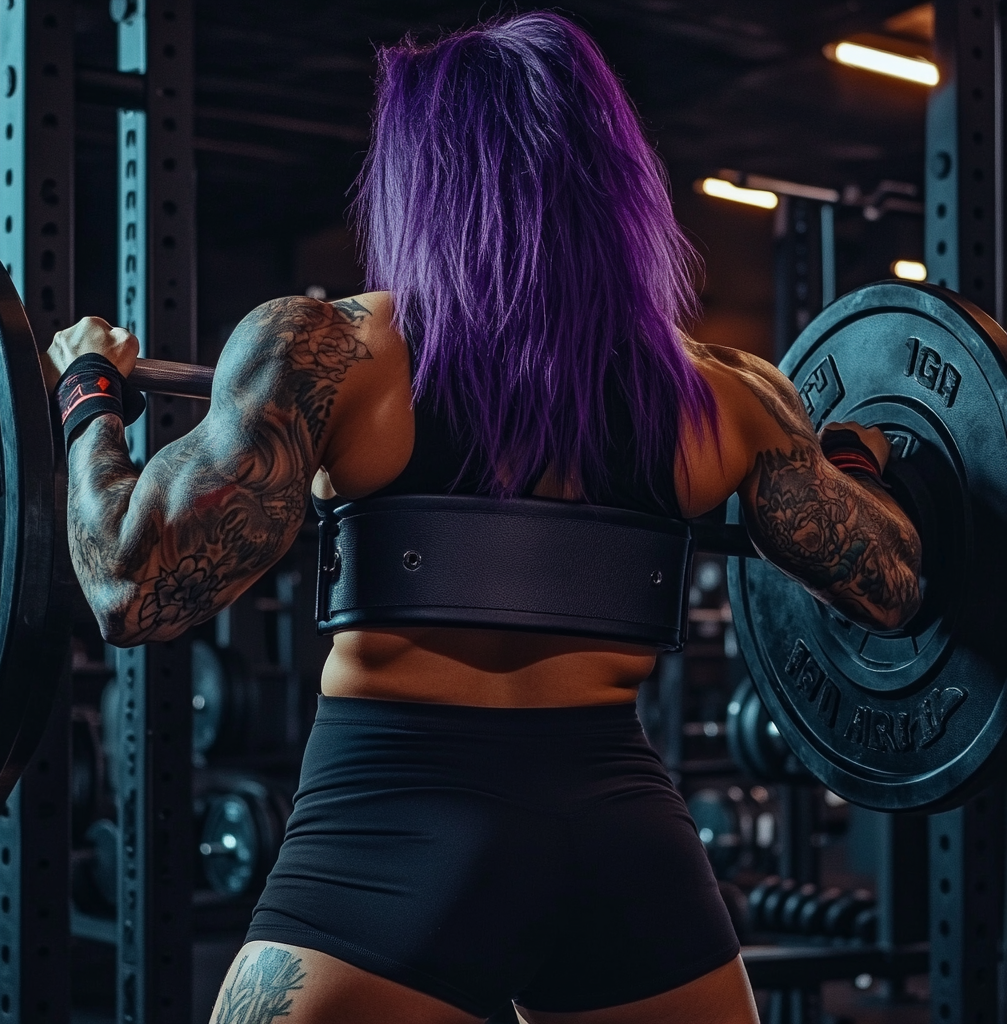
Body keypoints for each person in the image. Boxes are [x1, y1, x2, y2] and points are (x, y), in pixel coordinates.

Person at [46, 12, 921, 1024]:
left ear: (424, 181)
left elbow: (125, 581)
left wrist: (88, 397)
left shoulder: (329, 351)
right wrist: (847, 457)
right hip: (624, 850)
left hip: (389, 837)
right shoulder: (732, 400)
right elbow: (891, 583)